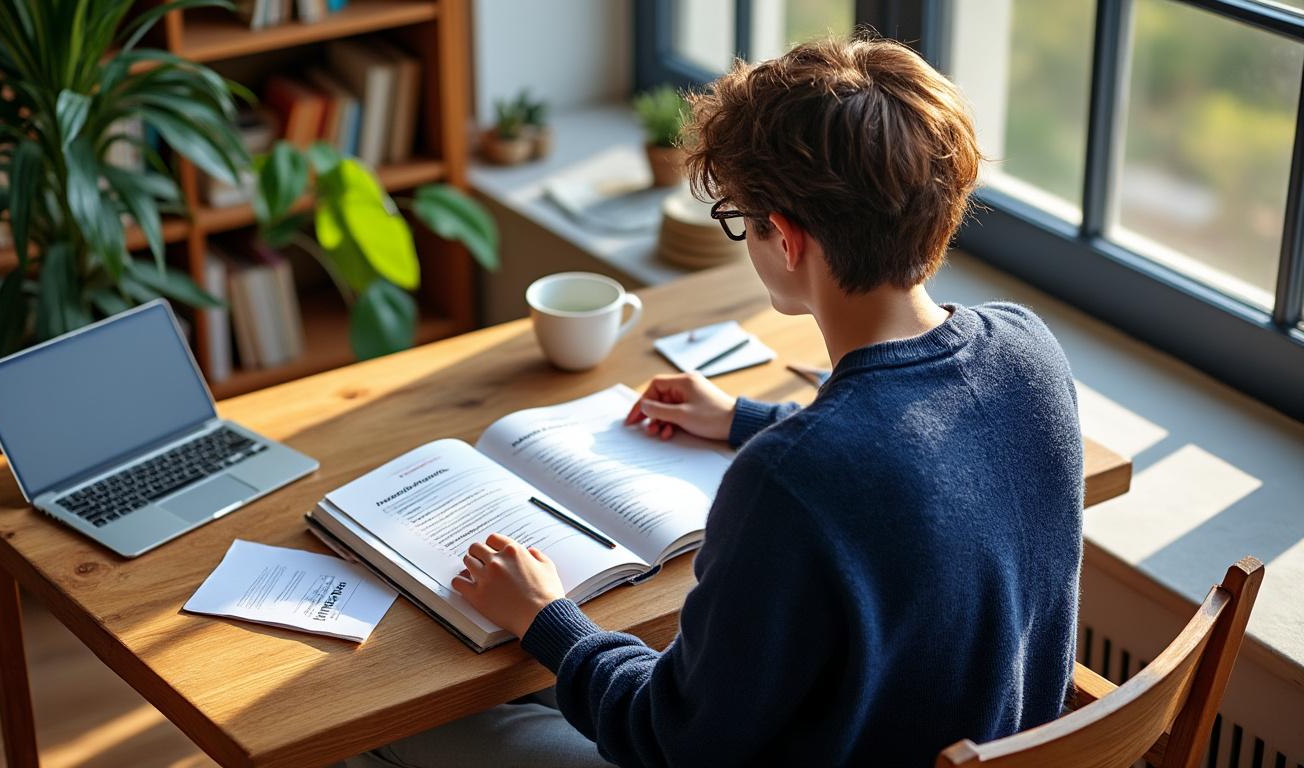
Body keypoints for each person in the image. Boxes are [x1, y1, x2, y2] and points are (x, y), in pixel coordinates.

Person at [347, 33, 1084, 767]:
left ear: (787, 239)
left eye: (739, 218)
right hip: (979, 729)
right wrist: (742, 417)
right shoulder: (1029, 350)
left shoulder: (788, 480)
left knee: (392, 726)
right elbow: (915, 452)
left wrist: (545, 618)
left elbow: (668, 740)